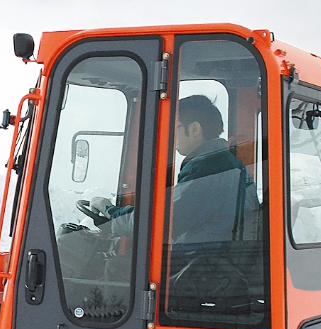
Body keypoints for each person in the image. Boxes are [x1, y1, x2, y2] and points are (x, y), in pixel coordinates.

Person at [90, 94, 257, 244]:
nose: (170, 136)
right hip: (212, 255)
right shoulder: (227, 161)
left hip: (201, 262)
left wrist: (110, 212)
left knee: (115, 267)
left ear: (194, 129)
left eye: (173, 128)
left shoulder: (208, 168)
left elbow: (161, 222)